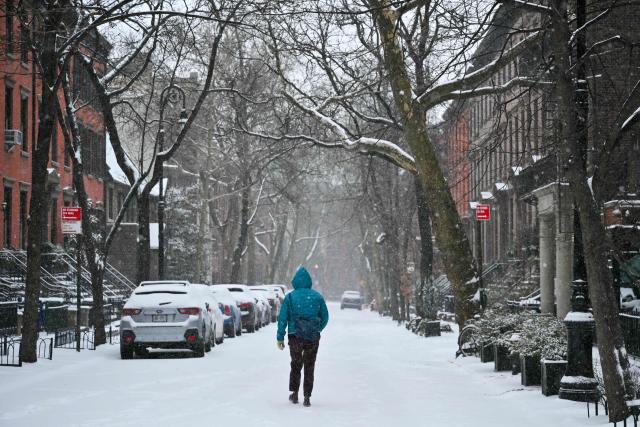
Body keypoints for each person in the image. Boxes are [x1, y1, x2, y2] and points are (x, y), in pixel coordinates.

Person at [277, 266, 329, 407]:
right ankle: (307, 396)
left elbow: (282, 318)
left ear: (295, 281)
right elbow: (325, 317)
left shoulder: (290, 297)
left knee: (296, 364)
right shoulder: (317, 297)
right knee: (309, 366)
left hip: (295, 336)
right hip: (312, 337)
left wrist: (280, 337)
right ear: (309, 281)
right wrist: (317, 329)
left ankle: (294, 393)